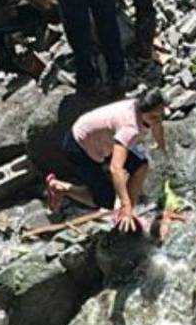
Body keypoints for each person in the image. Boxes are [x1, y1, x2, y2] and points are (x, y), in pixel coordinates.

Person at [47, 88, 166, 232]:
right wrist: (125, 204)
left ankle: (128, 214)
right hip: (79, 146)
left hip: (103, 140)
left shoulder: (144, 108)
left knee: (141, 166)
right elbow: (116, 168)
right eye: (153, 117)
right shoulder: (130, 127)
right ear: (141, 112)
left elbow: (157, 126)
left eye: (160, 115)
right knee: (105, 200)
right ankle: (61, 188)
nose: (157, 119)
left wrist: (161, 147)